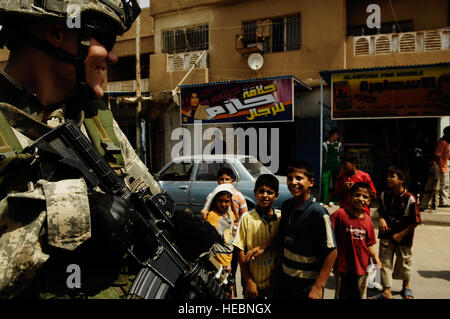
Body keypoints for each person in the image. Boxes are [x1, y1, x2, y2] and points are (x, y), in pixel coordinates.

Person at [0, 1, 167, 299]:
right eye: (106, 38)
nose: (113, 57)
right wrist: (64, 216)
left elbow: (143, 194)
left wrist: (173, 227)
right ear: (56, 31)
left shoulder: (94, 120)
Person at [275, 161, 337, 299]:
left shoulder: (318, 213)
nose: (293, 182)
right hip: (285, 283)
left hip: (307, 287)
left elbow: (331, 250)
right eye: (290, 178)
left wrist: (319, 286)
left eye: (299, 178)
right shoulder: (287, 206)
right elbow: (282, 238)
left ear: (311, 182)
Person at [373, 166, 422, 299]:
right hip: (387, 234)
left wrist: (401, 234)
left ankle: (406, 287)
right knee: (385, 262)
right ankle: (386, 290)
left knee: (404, 262)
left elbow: (416, 220)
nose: (388, 179)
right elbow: (381, 210)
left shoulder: (410, 198)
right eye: (387, 176)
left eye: (392, 176)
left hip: (404, 237)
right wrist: (382, 219)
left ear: (401, 180)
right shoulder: (384, 194)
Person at [233, 174, 281, 299]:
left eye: (270, 192)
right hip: (253, 282)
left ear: (276, 196)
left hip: (274, 283)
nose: (265, 195)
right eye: (261, 191)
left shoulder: (281, 218)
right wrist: (249, 281)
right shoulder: (247, 218)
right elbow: (239, 249)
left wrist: (266, 245)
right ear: (255, 193)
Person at [331, 182, 382, 299]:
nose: (361, 199)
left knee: (359, 294)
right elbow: (329, 237)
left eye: (365, 197)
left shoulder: (368, 220)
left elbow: (369, 243)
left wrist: (375, 257)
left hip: (361, 268)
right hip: (342, 266)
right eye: (357, 195)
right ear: (350, 196)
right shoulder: (339, 215)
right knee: (340, 295)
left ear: (369, 201)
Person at [204, 183, 238, 272]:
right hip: (219, 257)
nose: (223, 204)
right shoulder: (213, 216)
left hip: (228, 254)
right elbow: (208, 235)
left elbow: (237, 217)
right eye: (220, 201)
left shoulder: (228, 213)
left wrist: (232, 204)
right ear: (215, 201)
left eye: (227, 201)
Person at [321, 128, 343, 206]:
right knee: (324, 182)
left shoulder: (339, 144)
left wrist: (341, 168)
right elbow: (323, 156)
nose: (337, 136)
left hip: (336, 166)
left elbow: (340, 156)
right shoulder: (324, 144)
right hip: (327, 166)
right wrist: (323, 167)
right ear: (332, 135)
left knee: (336, 184)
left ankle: (333, 200)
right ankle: (323, 201)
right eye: (336, 135)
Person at [434, 126, 450, 207]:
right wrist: (439, 166)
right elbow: (437, 155)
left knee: (445, 185)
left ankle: (444, 201)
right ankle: (443, 202)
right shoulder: (442, 142)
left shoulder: (446, 143)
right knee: (443, 185)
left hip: (445, 167)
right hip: (442, 167)